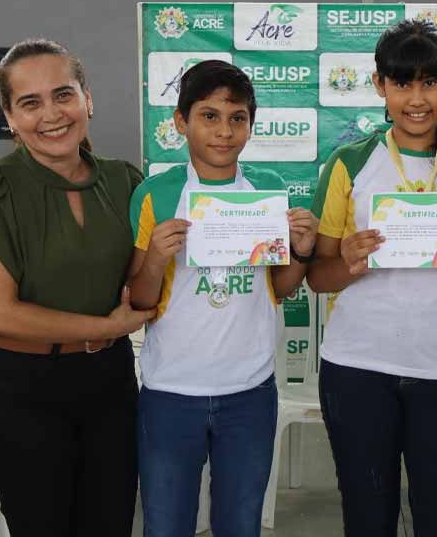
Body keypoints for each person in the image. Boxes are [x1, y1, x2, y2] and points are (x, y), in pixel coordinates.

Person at [307, 19, 437, 537]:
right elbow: (318, 279)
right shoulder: (348, 164)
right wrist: (350, 262)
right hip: (357, 367)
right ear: (380, 86)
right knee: (368, 516)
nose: (416, 99)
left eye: (429, 82)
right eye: (402, 83)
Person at [0, 39, 155, 536]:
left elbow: (141, 285)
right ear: (9, 115)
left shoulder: (124, 181)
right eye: (30, 102)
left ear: (88, 98)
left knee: (109, 526)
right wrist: (106, 326)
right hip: (20, 389)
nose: (52, 114)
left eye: (63, 95)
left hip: (108, 382)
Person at [128, 60, 318, 537]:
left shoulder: (268, 191)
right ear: (180, 122)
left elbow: (279, 288)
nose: (224, 131)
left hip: (249, 390)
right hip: (171, 390)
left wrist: (301, 251)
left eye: (237, 118)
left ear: (251, 126)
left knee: (240, 524)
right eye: (209, 116)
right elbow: (138, 300)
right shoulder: (155, 193)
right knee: (167, 524)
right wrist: (154, 258)